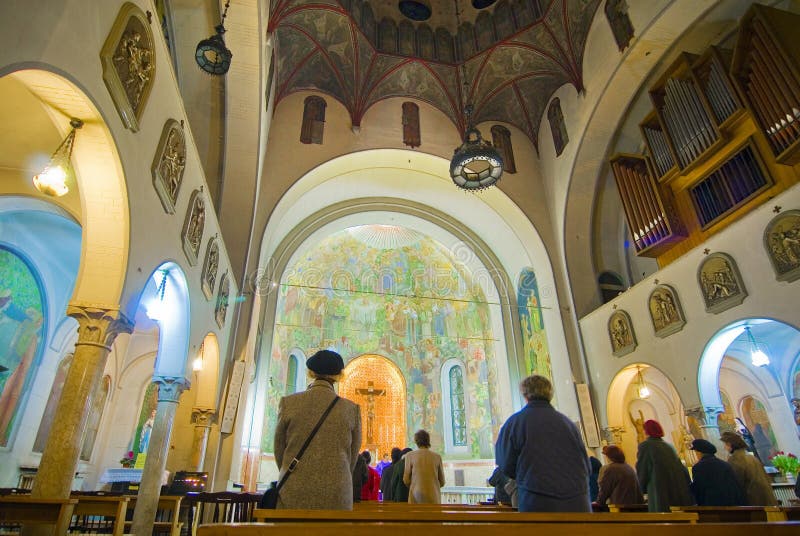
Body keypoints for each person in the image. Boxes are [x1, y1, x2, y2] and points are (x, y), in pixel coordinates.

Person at [273, 350, 362, 510]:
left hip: (293, 492)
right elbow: (352, 457)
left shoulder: (289, 403)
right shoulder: (351, 409)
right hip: (337, 495)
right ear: (338, 375)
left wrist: (294, 472)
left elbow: (279, 450)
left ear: (311, 372)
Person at [495, 374, 591, 512]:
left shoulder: (516, 423)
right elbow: (586, 466)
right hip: (578, 505)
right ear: (550, 394)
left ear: (525, 394)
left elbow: (505, 464)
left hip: (538, 503)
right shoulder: (568, 424)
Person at [635, 419, 692, 512]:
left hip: (659, 490)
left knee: (662, 519)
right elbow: (683, 470)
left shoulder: (646, 446)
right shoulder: (669, 446)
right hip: (677, 491)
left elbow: (642, 470)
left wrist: (641, 490)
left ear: (646, 431)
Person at [719, 431, 777, 506]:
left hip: (752, 500)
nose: (724, 448)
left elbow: (736, 483)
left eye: (725, 445)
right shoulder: (750, 456)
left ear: (730, 445)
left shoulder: (736, 459)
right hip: (765, 498)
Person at [688, 438, 745, 506]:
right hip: (730, 504)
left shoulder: (698, 467)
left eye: (695, 451)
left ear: (699, 452)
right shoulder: (725, 464)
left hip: (711, 506)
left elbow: (699, 489)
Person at [403, 429, 445, 503]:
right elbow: (442, 481)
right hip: (433, 498)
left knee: (416, 514)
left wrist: (415, 486)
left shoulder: (409, 456)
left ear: (416, 441)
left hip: (416, 498)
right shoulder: (437, 457)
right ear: (428, 440)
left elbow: (406, 479)